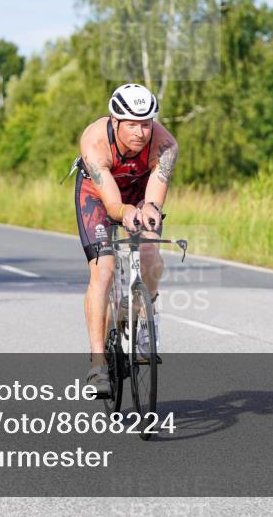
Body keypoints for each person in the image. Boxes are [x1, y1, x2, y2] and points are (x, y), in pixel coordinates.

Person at [75, 83, 178, 396]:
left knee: (150, 256)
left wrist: (149, 211)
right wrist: (124, 212)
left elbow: (154, 200)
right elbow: (112, 205)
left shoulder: (165, 145)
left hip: (139, 192)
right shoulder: (94, 142)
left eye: (146, 123)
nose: (140, 132)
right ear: (114, 120)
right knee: (103, 271)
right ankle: (97, 364)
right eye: (131, 124)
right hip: (98, 196)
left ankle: (142, 316)